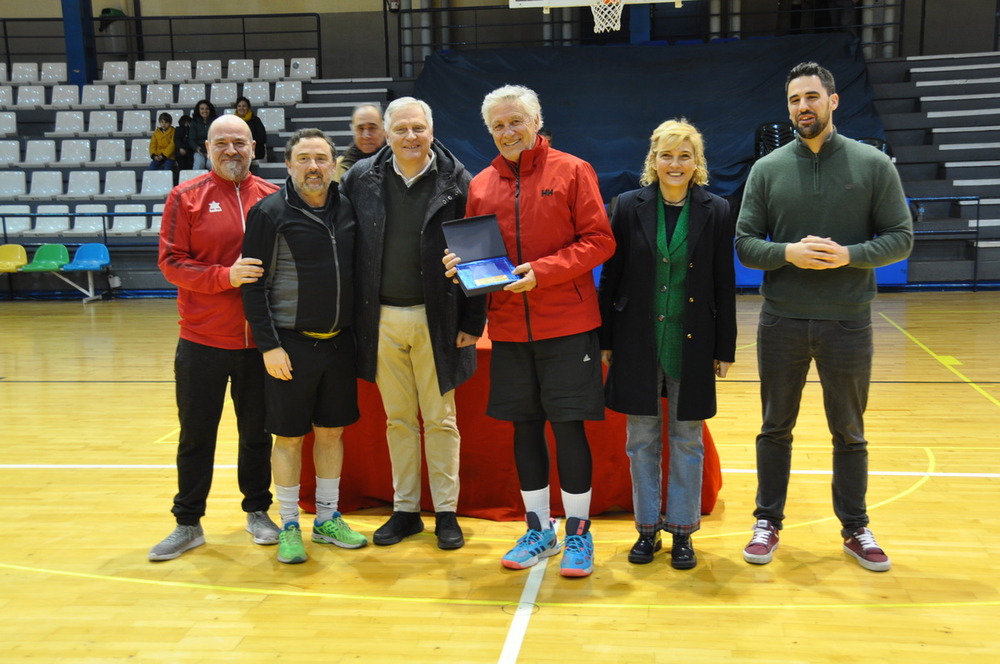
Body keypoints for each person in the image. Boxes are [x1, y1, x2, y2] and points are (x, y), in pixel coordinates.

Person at [735, 62, 913, 572]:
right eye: (794, 100)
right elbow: (746, 244)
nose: (803, 107)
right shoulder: (767, 170)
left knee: (850, 432)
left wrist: (851, 255)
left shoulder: (872, 163)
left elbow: (901, 237)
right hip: (781, 321)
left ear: (833, 101)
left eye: (812, 97)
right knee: (774, 428)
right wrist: (786, 253)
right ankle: (767, 522)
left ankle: (855, 528)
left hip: (847, 321)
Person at [444, 85, 615, 577]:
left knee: (567, 427)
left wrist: (543, 271)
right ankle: (539, 528)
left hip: (568, 324)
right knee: (524, 428)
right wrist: (462, 266)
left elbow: (600, 241)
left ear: (536, 121)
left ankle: (579, 534)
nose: (507, 132)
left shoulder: (573, 170)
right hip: (509, 329)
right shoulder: (480, 185)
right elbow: (481, 255)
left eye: (515, 121)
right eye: (498, 125)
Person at [340, 97, 485, 551]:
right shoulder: (359, 178)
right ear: (386, 132)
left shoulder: (459, 180)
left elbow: (478, 253)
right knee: (398, 420)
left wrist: (473, 320)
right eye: (400, 129)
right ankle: (405, 511)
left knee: (441, 419)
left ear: (431, 128)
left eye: (418, 128)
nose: (410, 137)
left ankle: (446, 511)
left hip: (438, 319)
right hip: (380, 318)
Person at [598, 119, 737, 570]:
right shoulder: (625, 207)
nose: (674, 164)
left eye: (684, 156)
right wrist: (605, 339)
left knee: (687, 439)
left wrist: (726, 346)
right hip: (637, 339)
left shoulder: (716, 210)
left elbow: (723, 282)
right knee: (640, 440)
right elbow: (611, 278)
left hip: (692, 341)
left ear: (697, 163)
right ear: (652, 161)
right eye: (666, 155)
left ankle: (681, 530)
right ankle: (645, 530)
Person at [151, 114, 282, 561]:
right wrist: (225, 276)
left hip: (258, 346)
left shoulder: (273, 198)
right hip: (202, 341)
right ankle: (188, 522)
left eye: (239, 143)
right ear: (207, 149)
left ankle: (258, 512)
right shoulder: (184, 197)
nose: (231, 150)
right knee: (196, 436)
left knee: (257, 436)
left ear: (253, 148)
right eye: (222, 143)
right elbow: (171, 264)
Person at [241, 128, 365, 564]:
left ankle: (328, 519)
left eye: (321, 159)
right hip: (289, 347)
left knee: (332, 433)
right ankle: (290, 522)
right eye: (304, 159)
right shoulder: (268, 213)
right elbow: (252, 288)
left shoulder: (349, 208)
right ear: (289, 165)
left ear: (333, 166)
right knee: (290, 438)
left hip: (339, 346)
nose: (313, 167)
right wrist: (269, 346)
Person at [335, 103, 386, 182]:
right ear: (352, 129)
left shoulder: (399, 164)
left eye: (372, 128)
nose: (366, 135)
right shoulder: (337, 168)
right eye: (361, 128)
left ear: (384, 128)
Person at [234, 96, 268, 175]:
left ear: (248, 108)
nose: (241, 108)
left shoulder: (256, 120)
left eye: (244, 106)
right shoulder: (233, 121)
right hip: (237, 149)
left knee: (244, 156)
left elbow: (262, 138)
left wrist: (246, 141)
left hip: (254, 150)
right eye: (239, 106)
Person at [188, 99, 217, 171]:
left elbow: (218, 137)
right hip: (199, 150)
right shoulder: (194, 123)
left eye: (207, 109)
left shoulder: (216, 121)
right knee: (199, 163)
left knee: (210, 164)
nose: (205, 111)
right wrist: (198, 149)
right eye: (202, 109)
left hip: (212, 150)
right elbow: (191, 140)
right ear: (198, 110)